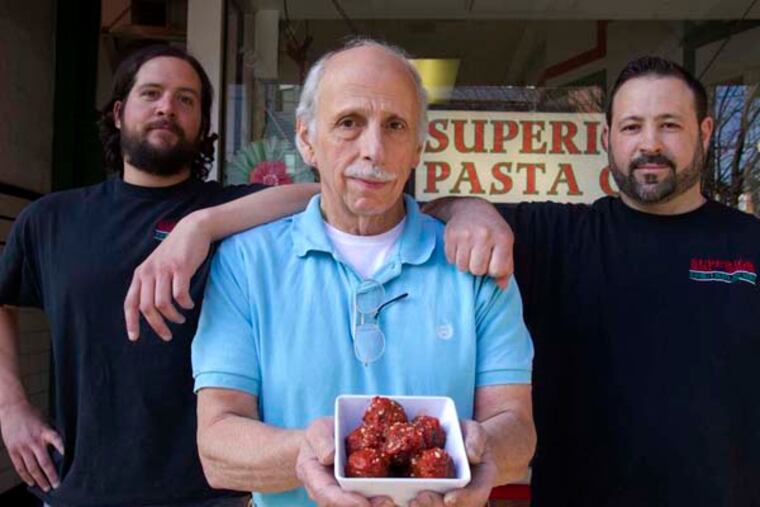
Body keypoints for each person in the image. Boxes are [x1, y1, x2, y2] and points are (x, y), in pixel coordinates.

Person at [190, 39, 536, 507]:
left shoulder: (475, 262)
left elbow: (516, 428)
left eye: (395, 126)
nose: (373, 149)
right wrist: (308, 455)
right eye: (349, 123)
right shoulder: (246, 264)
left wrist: (480, 448)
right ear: (306, 138)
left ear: (417, 148)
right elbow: (217, 447)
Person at [0, 44, 322, 507]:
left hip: (212, 494)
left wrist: (200, 225)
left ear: (202, 126)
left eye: (186, 99)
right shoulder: (51, 219)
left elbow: (323, 198)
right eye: (151, 93)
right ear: (117, 113)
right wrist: (12, 407)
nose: (167, 107)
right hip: (80, 487)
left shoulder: (228, 213)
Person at [499, 56, 760, 506]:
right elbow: (425, 223)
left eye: (670, 126)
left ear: (705, 132)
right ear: (607, 138)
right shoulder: (558, 238)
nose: (649, 144)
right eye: (632, 126)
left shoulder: (751, 244)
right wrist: (469, 212)